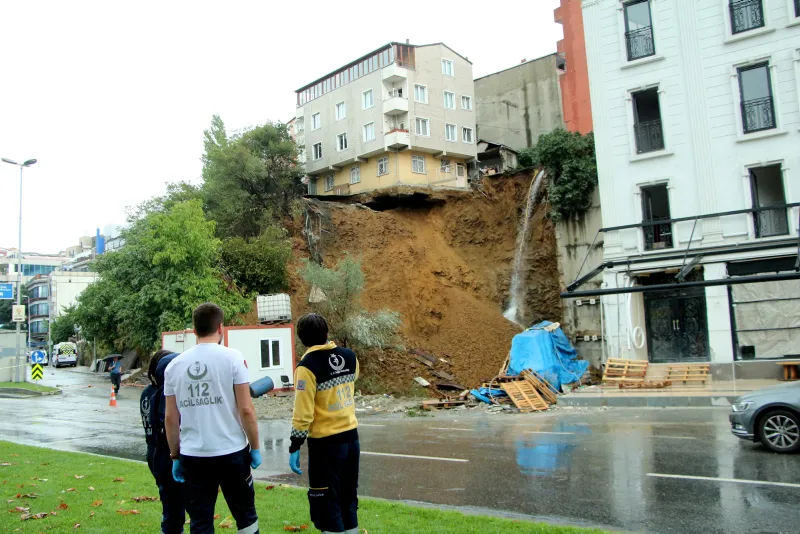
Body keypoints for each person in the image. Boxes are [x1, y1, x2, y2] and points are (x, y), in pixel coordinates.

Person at [164, 303, 261, 534]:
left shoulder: (174, 366)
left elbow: (170, 417)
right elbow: (246, 409)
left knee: (200, 521)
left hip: (194, 455)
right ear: (221, 328)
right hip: (232, 452)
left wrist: (175, 456)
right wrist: (255, 447)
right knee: (246, 516)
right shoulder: (233, 358)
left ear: (194, 331)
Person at [289, 313, 360, 534]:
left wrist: (294, 445)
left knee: (327, 504)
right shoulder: (349, 357)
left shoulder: (306, 367)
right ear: (326, 333)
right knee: (348, 499)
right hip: (351, 439)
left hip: (325, 445)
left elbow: (303, 412)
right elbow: (353, 377)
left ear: (301, 339)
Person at [140, 349, 186, 533]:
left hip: (153, 453)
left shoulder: (147, 392)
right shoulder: (165, 396)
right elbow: (171, 423)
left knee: (169, 505)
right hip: (166, 455)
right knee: (176, 509)